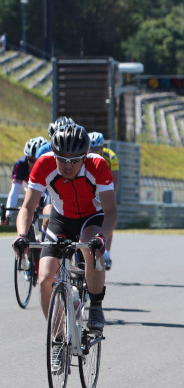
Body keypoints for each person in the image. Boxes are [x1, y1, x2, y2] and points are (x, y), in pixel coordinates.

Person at [11, 122, 117, 352]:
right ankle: (58, 340)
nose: (67, 166)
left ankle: (96, 304)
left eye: (74, 161)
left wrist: (102, 237)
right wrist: (21, 235)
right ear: (54, 154)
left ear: (85, 156)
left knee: (90, 247)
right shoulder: (44, 164)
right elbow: (28, 208)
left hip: (92, 216)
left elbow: (111, 212)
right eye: (62, 159)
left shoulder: (97, 165)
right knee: (45, 278)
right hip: (61, 217)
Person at [88, 131, 119, 270]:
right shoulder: (85, 156)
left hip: (106, 187)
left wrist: (109, 199)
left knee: (107, 217)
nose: (94, 151)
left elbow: (115, 180)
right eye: (92, 149)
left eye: (97, 149)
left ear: (102, 147)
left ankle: (107, 253)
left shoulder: (111, 156)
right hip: (91, 188)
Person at [2, 136, 47, 225]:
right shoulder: (21, 164)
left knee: (47, 220)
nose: (34, 164)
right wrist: (8, 215)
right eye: (31, 160)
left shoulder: (50, 164)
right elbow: (15, 190)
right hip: (31, 193)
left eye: (37, 161)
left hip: (47, 194)